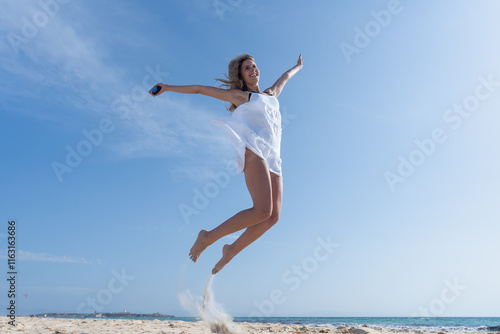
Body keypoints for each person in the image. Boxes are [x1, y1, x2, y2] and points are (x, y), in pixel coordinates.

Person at [150, 54, 304, 274]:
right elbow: (199, 89)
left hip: (274, 157)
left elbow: (285, 77)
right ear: (241, 76)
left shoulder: (271, 94)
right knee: (262, 210)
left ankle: (230, 250)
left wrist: (297, 67)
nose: (253, 70)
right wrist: (167, 87)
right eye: (247, 68)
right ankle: (207, 237)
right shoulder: (241, 96)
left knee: (273, 217)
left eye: (255, 66)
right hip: (254, 149)